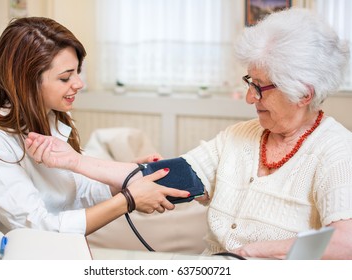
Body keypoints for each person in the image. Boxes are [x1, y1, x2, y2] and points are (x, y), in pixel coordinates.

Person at [24, 8, 352, 259]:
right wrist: (72, 160)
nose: (250, 97)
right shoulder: (241, 136)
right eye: (248, 82)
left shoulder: (335, 150)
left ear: (303, 93)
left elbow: (345, 241)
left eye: (260, 87)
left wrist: (255, 253)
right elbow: (166, 175)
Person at [0, 17, 190, 236]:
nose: (79, 84)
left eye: (78, 72)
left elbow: (78, 193)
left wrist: (125, 174)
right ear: (26, 81)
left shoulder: (55, 119)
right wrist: (128, 199)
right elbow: (39, 228)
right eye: (65, 78)